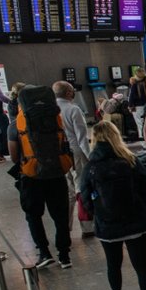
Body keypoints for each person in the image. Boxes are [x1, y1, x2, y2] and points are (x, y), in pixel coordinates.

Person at [80, 121, 146, 290]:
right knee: (141, 266)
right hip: (135, 222)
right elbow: (145, 188)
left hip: (108, 224)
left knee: (113, 263)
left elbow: (85, 195)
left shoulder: (92, 165)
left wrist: (96, 213)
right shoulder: (130, 160)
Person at [8, 86, 72, 269]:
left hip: (31, 174)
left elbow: (13, 155)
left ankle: (44, 252)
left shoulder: (15, 125)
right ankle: (64, 255)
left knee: (33, 215)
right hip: (57, 172)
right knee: (60, 215)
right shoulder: (55, 118)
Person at [52, 81, 94, 237]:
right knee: (81, 188)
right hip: (75, 152)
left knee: (67, 191)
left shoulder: (51, 110)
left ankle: (65, 227)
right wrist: (90, 157)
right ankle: (87, 227)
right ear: (69, 93)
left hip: (59, 155)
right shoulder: (73, 109)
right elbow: (82, 137)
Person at [128, 67, 146, 133]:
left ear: (136, 75)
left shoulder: (135, 85)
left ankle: (142, 141)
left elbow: (131, 97)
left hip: (138, 108)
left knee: (140, 126)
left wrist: (130, 107)